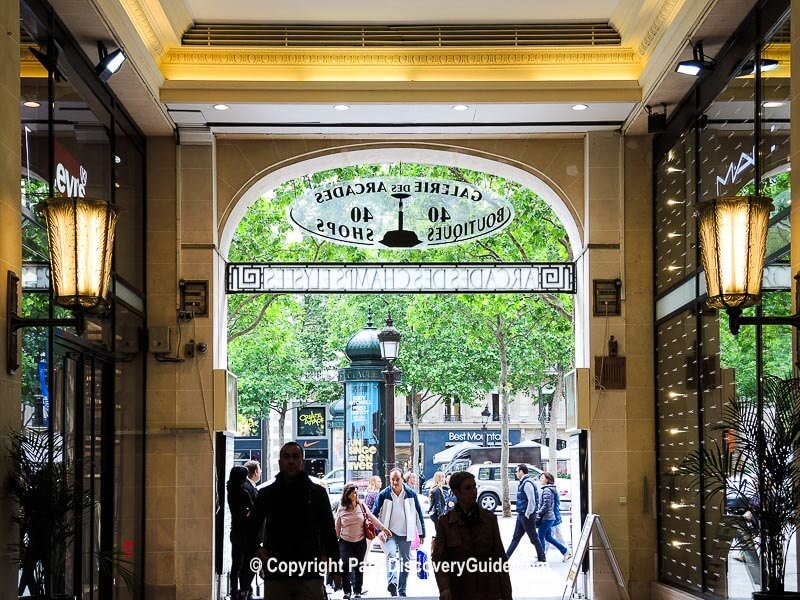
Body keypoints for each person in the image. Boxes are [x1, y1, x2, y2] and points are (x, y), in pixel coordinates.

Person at [250, 441, 341, 600]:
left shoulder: (317, 493)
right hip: (277, 569)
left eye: (295, 457)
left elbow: (329, 531)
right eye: (286, 457)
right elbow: (249, 528)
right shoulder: (267, 494)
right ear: (280, 462)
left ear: (302, 462)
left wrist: (335, 568)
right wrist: (256, 549)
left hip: (309, 570)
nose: (291, 461)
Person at [432, 470, 512, 600]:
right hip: (459, 588)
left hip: (488, 588)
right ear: (456, 492)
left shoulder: (489, 519)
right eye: (468, 488)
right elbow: (439, 559)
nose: (473, 491)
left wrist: (507, 594)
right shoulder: (445, 522)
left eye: (475, 486)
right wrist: (444, 588)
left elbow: (500, 557)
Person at [374, 468, 427, 597]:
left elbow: (418, 514)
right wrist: (378, 531)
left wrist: (421, 534)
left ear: (402, 479)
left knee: (405, 561)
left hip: (405, 533)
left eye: (397, 479)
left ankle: (402, 590)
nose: (395, 482)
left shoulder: (410, 494)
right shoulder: (384, 494)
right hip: (389, 533)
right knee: (391, 556)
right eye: (392, 479)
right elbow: (374, 514)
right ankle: (393, 583)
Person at [335, 482, 387, 599]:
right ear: (347, 494)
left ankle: (357, 590)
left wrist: (383, 528)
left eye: (356, 492)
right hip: (345, 541)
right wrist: (333, 545)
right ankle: (346, 591)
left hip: (360, 541)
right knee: (346, 565)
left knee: (359, 566)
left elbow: (372, 518)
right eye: (353, 492)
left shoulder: (362, 505)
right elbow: (337, 528)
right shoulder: (341, 509)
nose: (356, 494)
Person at [504, 464, 546, 565]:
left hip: (526, 515)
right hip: (521, 515)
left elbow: (531, 500)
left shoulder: (527, 483)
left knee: (533, 538)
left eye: (516, 471)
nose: (516, 473)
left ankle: (542, 557)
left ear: (521, 472)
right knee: (516, 537)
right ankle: (505, 558)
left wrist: (527, 513)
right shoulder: (523, 482)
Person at [227, 465, 254, 600]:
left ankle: (233, 591)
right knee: (249, 563)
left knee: (236, 563)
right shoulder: (244, 492)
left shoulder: (230, 491)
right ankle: (245, 590)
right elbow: (253, 509)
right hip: (245, 532)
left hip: (235, 531)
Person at [536, 471, 571, 562]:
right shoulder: (548, 489)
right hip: (550, 517)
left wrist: (539, 513)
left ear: (547, 480)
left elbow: (546, 505)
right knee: (548, 537)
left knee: (541, 536)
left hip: (547, 517)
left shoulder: (547, 490)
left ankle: (542, 557)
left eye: (542, 478)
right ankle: (565, 551)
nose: (540, 479)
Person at [240, 460, 262, 598]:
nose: (260, 473)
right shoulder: (247, 488)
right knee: (250, 563)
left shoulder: (249, 486)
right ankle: (246, 591)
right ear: (254, 472)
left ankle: (248, 590)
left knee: (250, 563)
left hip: (251, 534)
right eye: (259, 470)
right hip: (249, 534)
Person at [364, 475, 383, 561]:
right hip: (373, 520)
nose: (381, 483)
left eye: (380, 481)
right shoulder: (372, 494)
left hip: (376, 520)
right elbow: (367, 507)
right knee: (380, 538)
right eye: (378, 481)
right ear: (374, 483)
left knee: (379, 538)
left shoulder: (376, 493)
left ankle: (364, 559)